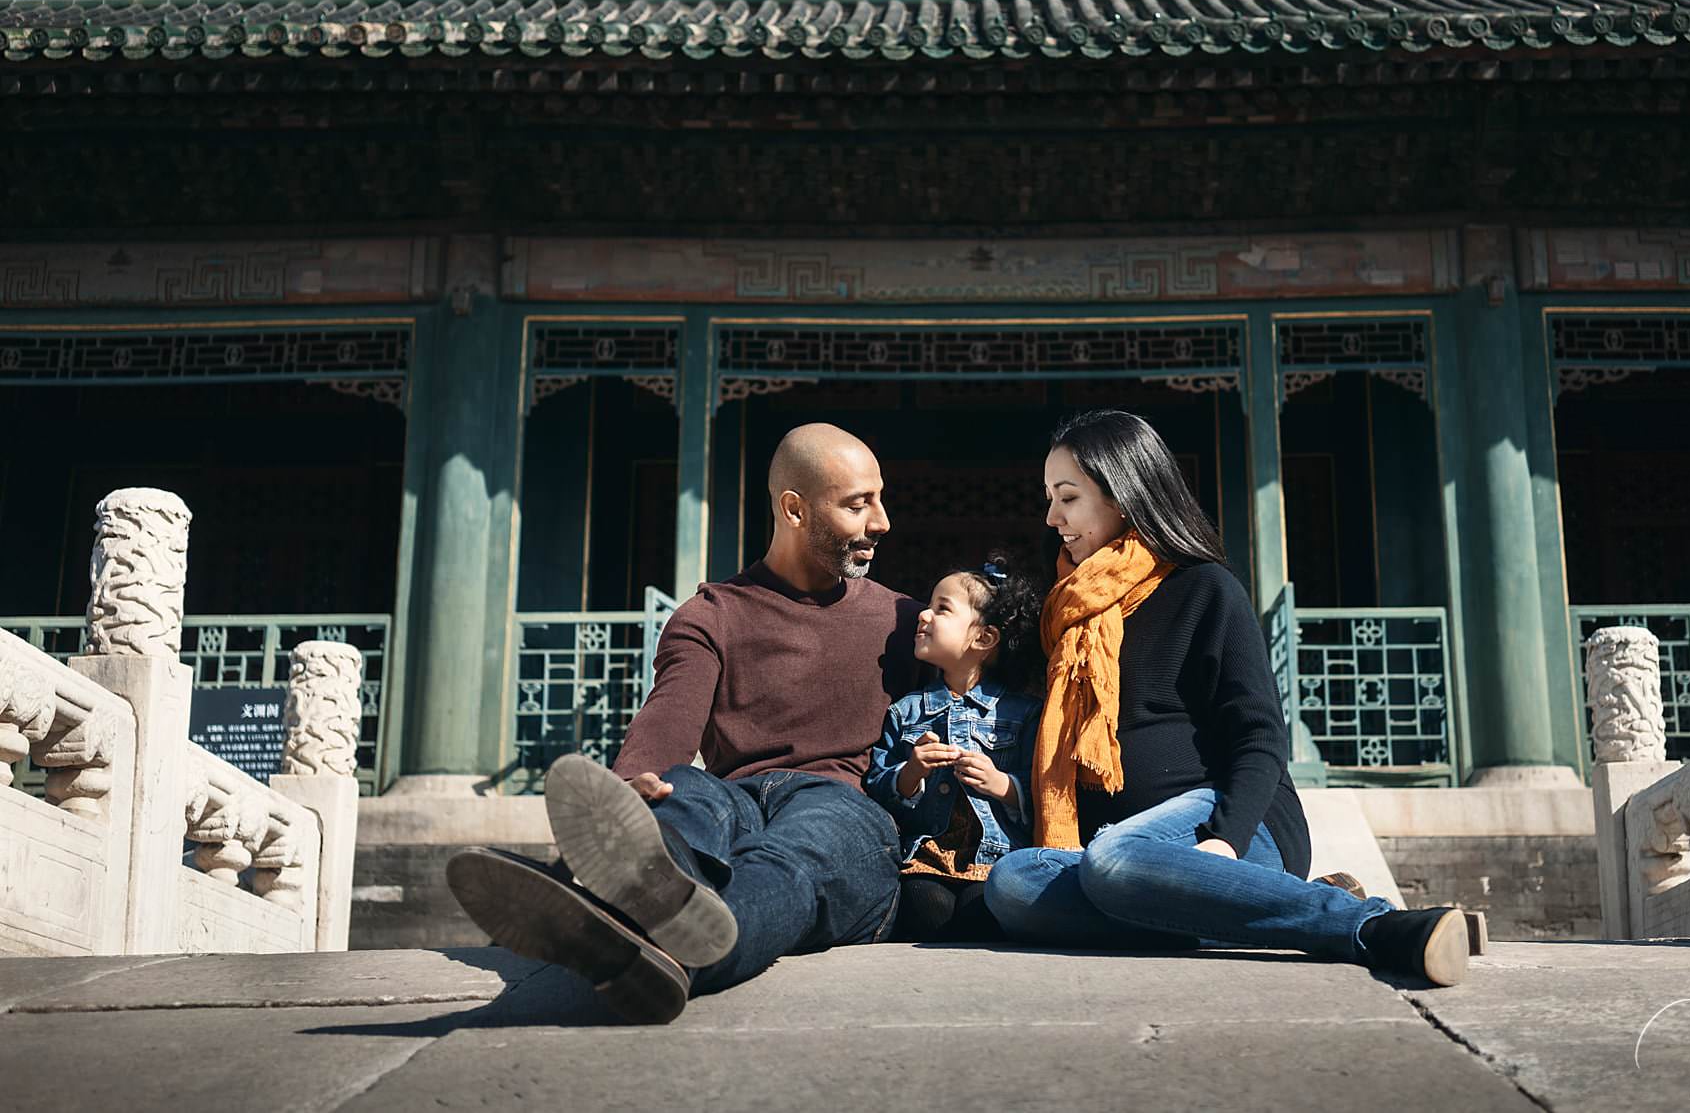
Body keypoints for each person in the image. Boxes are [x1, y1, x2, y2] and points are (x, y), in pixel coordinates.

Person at [446, 422, 921, 1024]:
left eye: (879, 499)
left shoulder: (905, 620)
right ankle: (626, 893)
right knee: (687, 797)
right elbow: (668, 722)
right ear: (795, 510)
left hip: (846, 811)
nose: (882, 521)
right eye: (859, 504)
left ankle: (645, 943)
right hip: (738, 800)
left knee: (790, 854)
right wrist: (635, 786)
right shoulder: (711, 615)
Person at [982, 409, 1471, 987]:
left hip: (1228, 822)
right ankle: (1275, 909)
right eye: (1049, 497)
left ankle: (1375, 927)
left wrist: (1225, 840)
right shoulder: (1064, 615)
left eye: (1067, 497)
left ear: (1122, 494)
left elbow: (1260, 737)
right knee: (1013, 883)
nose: (1051, 517)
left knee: (1114, 863)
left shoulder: (1205, 589)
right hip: (1126, 853)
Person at [865, 556, 1044, 942]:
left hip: (997, 862)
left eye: (941, 608)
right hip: (928, 859)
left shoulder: (1025, 713)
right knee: (926, 908)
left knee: (988, 906)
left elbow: (1047, 793)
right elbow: (878, 786)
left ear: (984, 638)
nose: (923, 616)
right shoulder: (906, 711)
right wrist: (910, 773)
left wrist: (1002, 785)